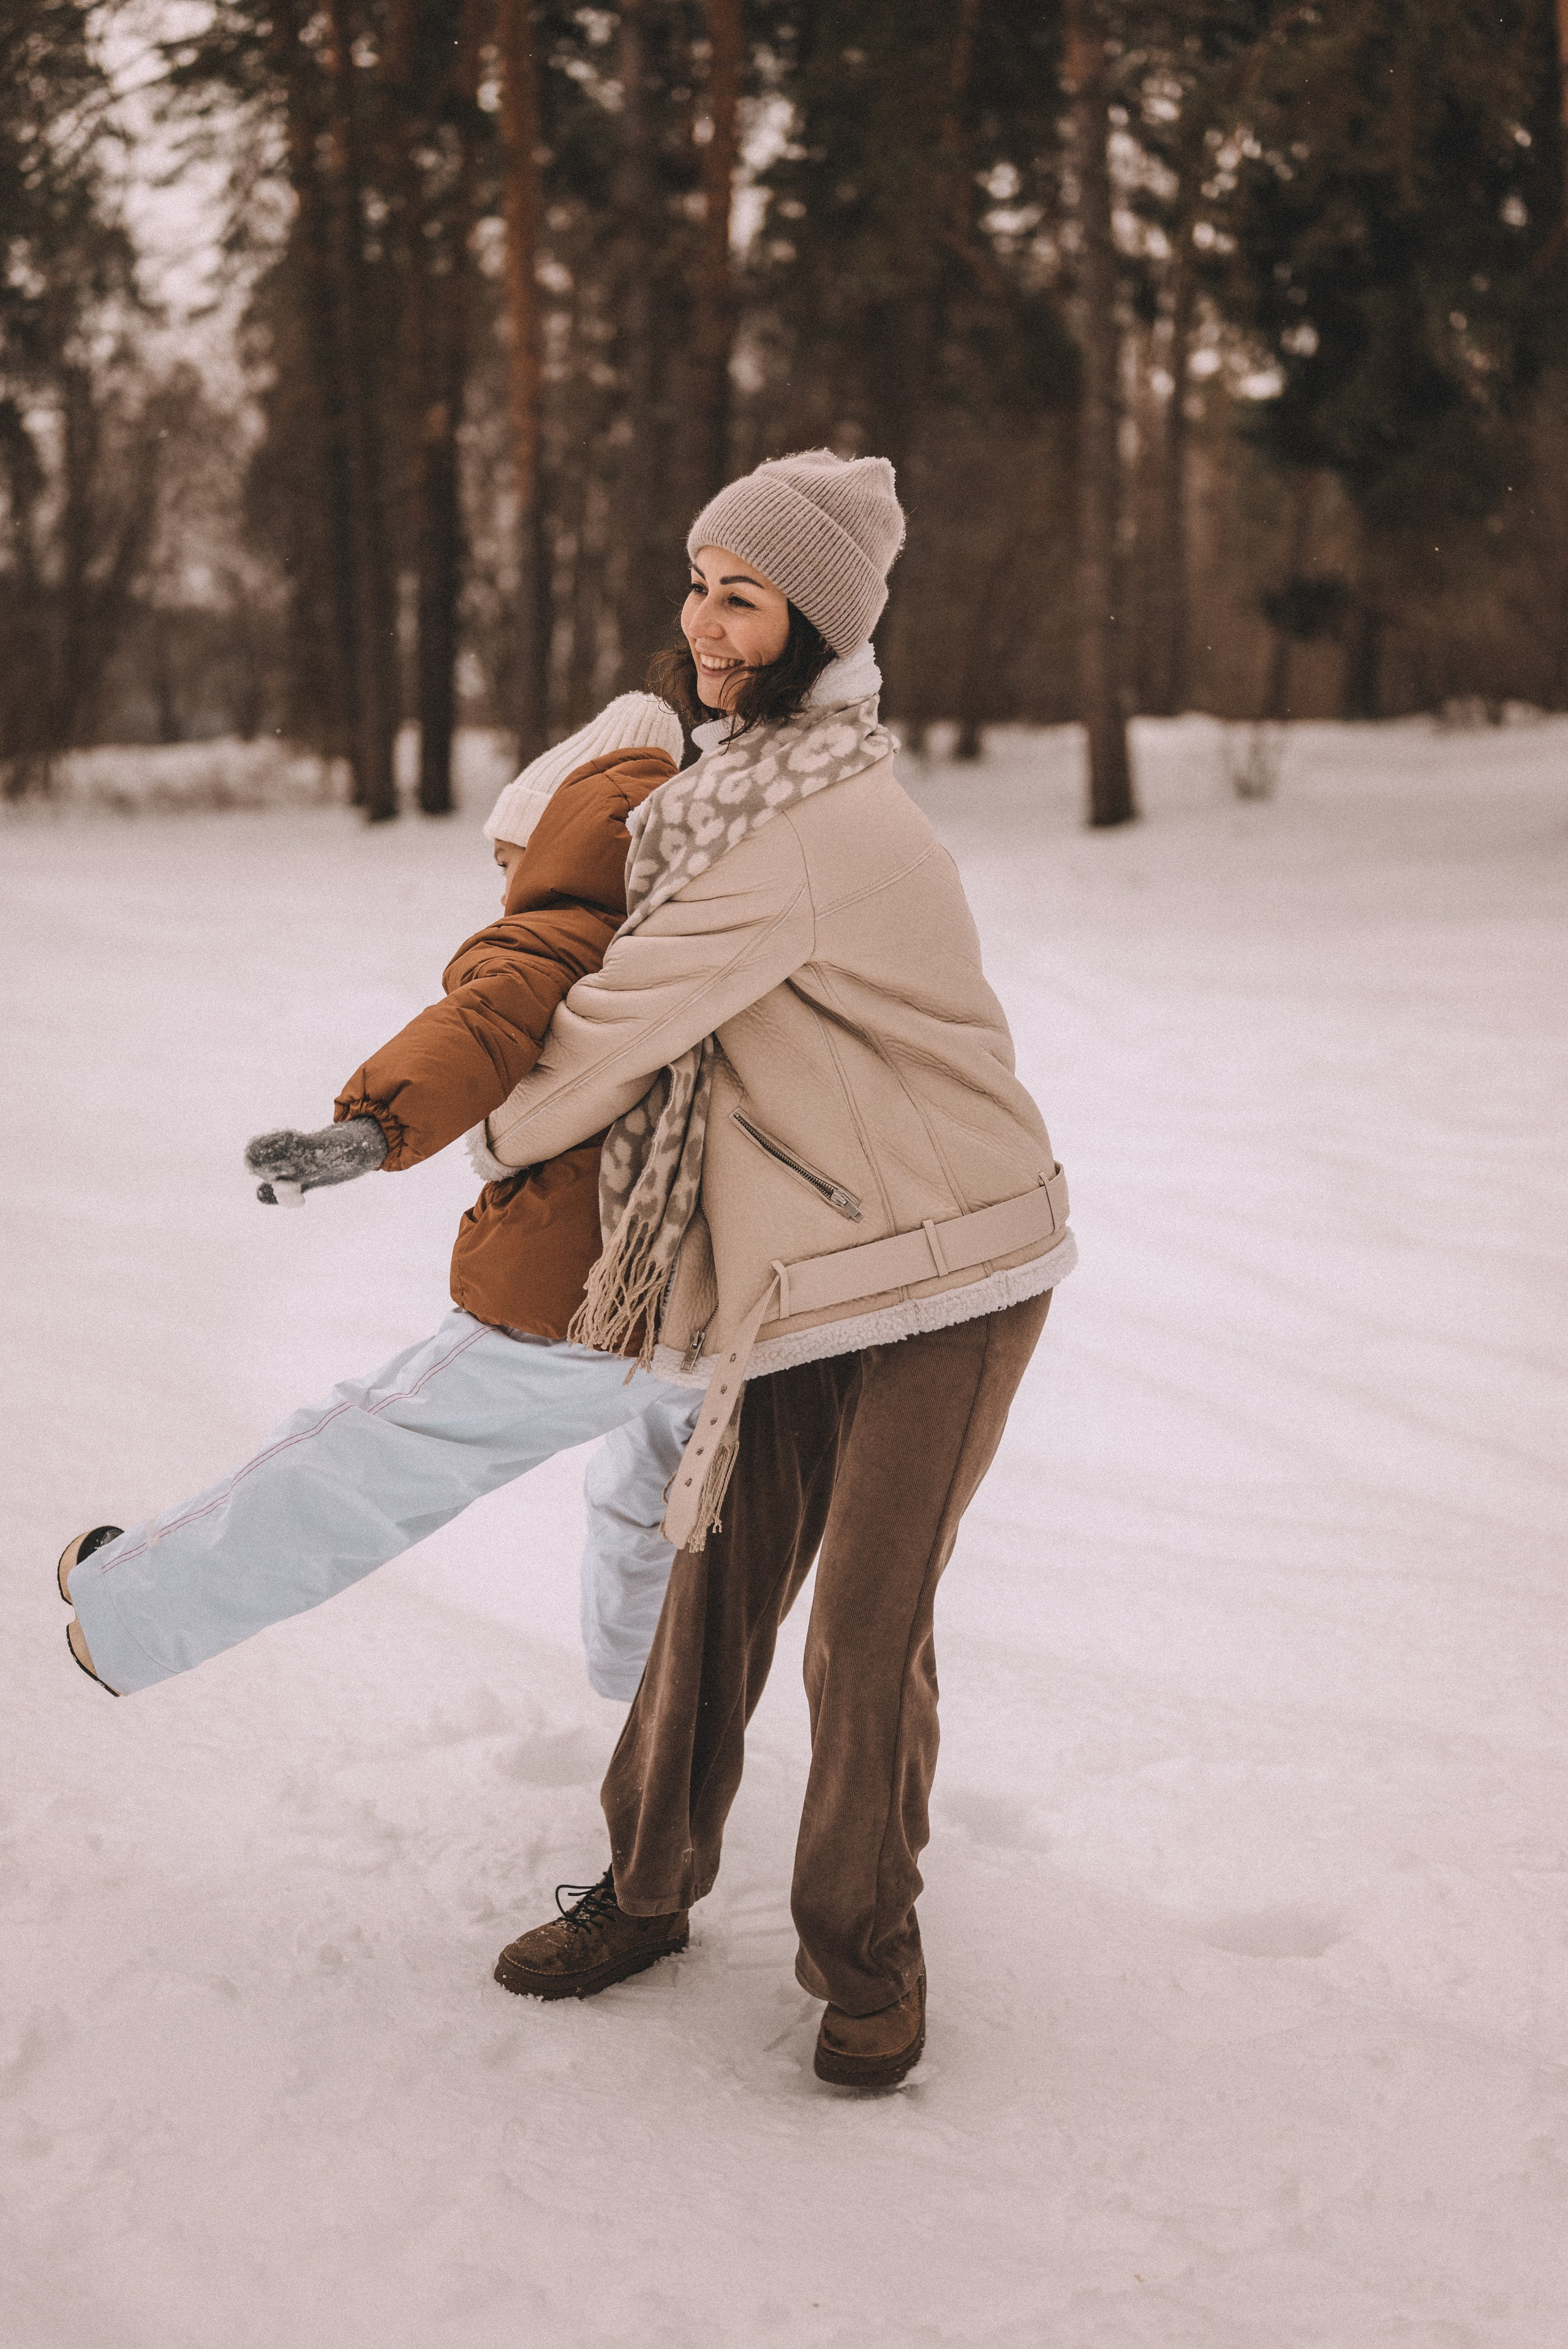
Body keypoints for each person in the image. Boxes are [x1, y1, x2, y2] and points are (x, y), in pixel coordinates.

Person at [480, 449, 1076, 2087]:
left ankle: (868, 1959)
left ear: (815, 624)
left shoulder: (807, 824)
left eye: (742, 594)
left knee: (865, 1627)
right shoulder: (735, 788)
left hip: (955, 1267)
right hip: (816, 1259)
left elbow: (614, 1019)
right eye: (696, 581)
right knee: (716, 1572)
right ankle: (646, 1887)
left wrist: (489, 1125)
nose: (704, 620)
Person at [58, 695, 703, 1702]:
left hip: (581, 1289)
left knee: (384, 1449)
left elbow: (483, 1023)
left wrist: (367, 1129)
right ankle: (645, 1708)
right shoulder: (695, 919)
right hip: (718, 1288)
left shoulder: (565, 922)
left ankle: (137, 1608)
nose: (503, 884)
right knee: (656, 1498)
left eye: (506, 858)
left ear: (557, 838)